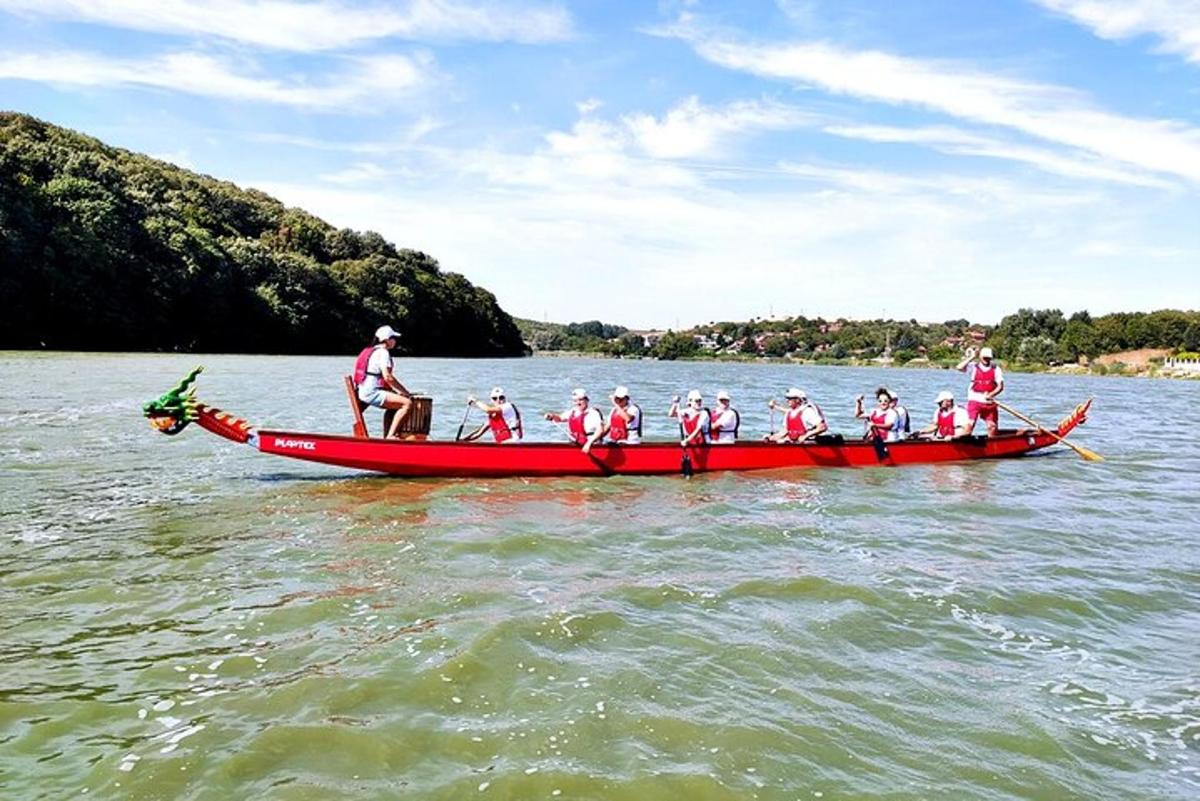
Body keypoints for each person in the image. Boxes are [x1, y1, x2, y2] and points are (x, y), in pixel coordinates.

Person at [354, 324, 412, 439]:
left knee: (394, 406)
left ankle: (387, 437)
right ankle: (391, 436)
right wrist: (405, 392)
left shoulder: (372, 351)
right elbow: (388, 377)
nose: (395, 341)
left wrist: (397, 392)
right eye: (393, 338)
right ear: (387, 340)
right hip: (371, 393)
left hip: (364, 392)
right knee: (407, 404)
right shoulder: (383, 353)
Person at [957, 346, 1005, 436]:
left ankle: (993, 446)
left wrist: (991, 394)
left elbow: (1000, 387)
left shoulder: (996, 369)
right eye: (984, 357)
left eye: (988, 358)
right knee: (970, 425)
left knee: (992, 427)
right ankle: (962, 443)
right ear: (980, 357)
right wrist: (971, 357)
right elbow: (959, 367)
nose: (986, 359)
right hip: (974, 400)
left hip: (989, 402)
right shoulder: (973, 367)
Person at [545, 388, 606, 454]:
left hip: (591, 446)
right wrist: (552, 416)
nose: (578, 403)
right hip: (576, 444)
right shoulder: (572, 412)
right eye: (575, 401)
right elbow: (559, 418)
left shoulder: (593, 413)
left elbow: (600, 431)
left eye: (580, 400)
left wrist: (589, 444)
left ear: (587, 400)